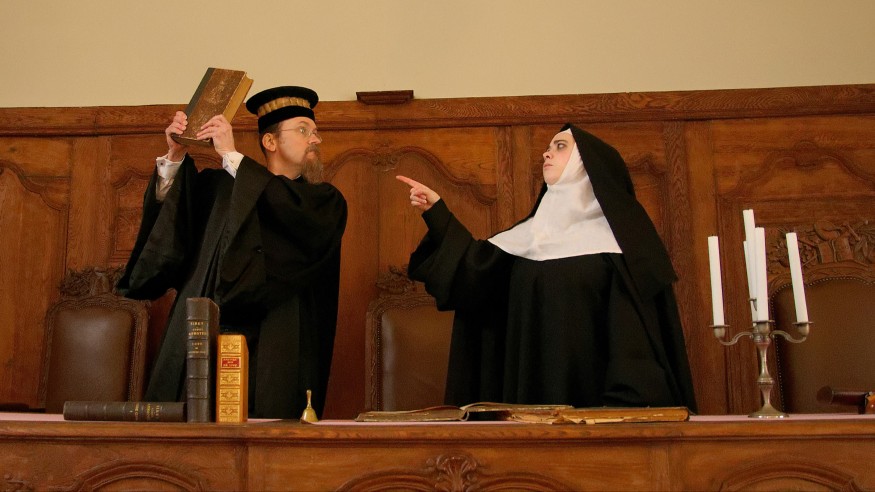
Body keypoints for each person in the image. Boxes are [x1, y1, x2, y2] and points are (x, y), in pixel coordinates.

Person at [396, 124, 697, 411]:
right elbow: (474, 275)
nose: (546, 153)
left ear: (585, 163)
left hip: (594, 413)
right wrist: (437, 213)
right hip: (524, 405)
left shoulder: (619, 250)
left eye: (560, 146)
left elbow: (633, 346)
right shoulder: (527, 238)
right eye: (549, 146)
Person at [118, 86, 347, 419]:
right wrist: (175, 155)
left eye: (315, 131)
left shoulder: (323, 202)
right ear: (270, 141)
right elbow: (170, 229)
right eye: (303, 130)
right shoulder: (219, 187)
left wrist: (231, 154)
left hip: (278, 339)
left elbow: (282, 204)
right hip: (208, 333)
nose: (315, 139)